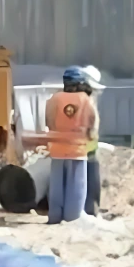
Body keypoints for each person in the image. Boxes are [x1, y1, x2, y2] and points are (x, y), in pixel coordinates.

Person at [44, 66, 100, 224]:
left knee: (56, 187)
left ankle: (54, 217)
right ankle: (72, 218)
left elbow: (48, 121)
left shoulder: (54, 99)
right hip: (78, 149)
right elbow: (93, 124)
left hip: (57, 149)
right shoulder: (85, 99)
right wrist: (91, 139)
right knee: (76, 187)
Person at [81, 65, 104, 215]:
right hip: (85, 144)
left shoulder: (86, 98)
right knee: (90, 176)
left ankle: (91, 208)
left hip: (87, 144)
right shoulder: (85, 99)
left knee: (91, 175)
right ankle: (90, 209)